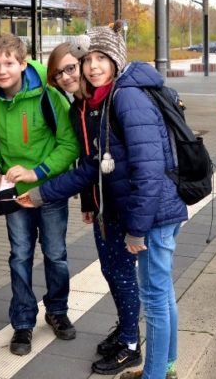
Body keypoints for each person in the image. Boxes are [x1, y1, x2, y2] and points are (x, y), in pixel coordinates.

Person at [17, 25, 188, 379]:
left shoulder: (125, 97)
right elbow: (95, 168)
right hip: (152, 211)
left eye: (101, 58)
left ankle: (154, 373)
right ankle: (167, 366)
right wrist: (42, 194)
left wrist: (137, 231)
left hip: (153, 215)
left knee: (155, 299)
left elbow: (149, 169)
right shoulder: (108, 98)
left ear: (115, 59)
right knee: (162, 293)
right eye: (88, 59)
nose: (93, 66)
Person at [0, 34, 79, 356]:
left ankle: (57, 310)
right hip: (14, 196)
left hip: (48, 190)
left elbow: (70, 143)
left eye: (8, 63)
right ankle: (22, 322)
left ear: (23, 63)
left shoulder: (50, 95)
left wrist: (37, 173)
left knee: (55, 253)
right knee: (20, 256)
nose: (2, 70)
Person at [44, 41, 142, 375]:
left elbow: (111, 161)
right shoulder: (80, 108)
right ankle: (125, 327)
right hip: (103, 205)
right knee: (110, 270)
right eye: (59, 73)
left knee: (124, 272)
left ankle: (131, 342)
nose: (68, 76)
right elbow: (90, 160)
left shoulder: (110, 101)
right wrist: (88, 201)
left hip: (123, 205)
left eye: (72, 67)